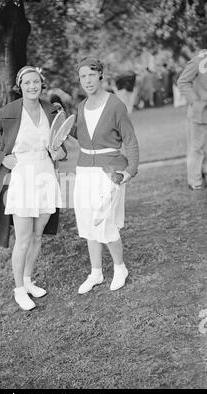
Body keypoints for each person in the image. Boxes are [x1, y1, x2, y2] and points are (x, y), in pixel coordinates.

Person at [0, 66, 67, 311]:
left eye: (36, 82)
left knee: (38, 235)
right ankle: (18, 290)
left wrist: (60, 152)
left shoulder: (51, 110)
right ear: (20, 86)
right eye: (27, 83)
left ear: (42, 84)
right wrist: (1, 157)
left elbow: (60, 147)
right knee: (23, 239)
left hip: (46, 175)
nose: (32, 86)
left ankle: (27, 281)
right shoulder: (9, 111)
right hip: (22, 177)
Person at [74, 57, 139, 294]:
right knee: (88, 221)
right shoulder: (80, 107)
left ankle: (120, 268)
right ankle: (96, 272)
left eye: (92, 75)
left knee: (105, 219)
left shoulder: (115, 104)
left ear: (100, 75)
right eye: (83, 76)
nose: (87, 80)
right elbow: (81, 136)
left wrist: (130, 170)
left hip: (109, 170)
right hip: (84, 170)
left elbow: (129, 139)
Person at [177, 49, 207, 190]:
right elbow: (182, 82)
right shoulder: (199, 60)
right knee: (197, 147)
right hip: (200, 112)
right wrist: (195, 102)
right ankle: (195, 181)